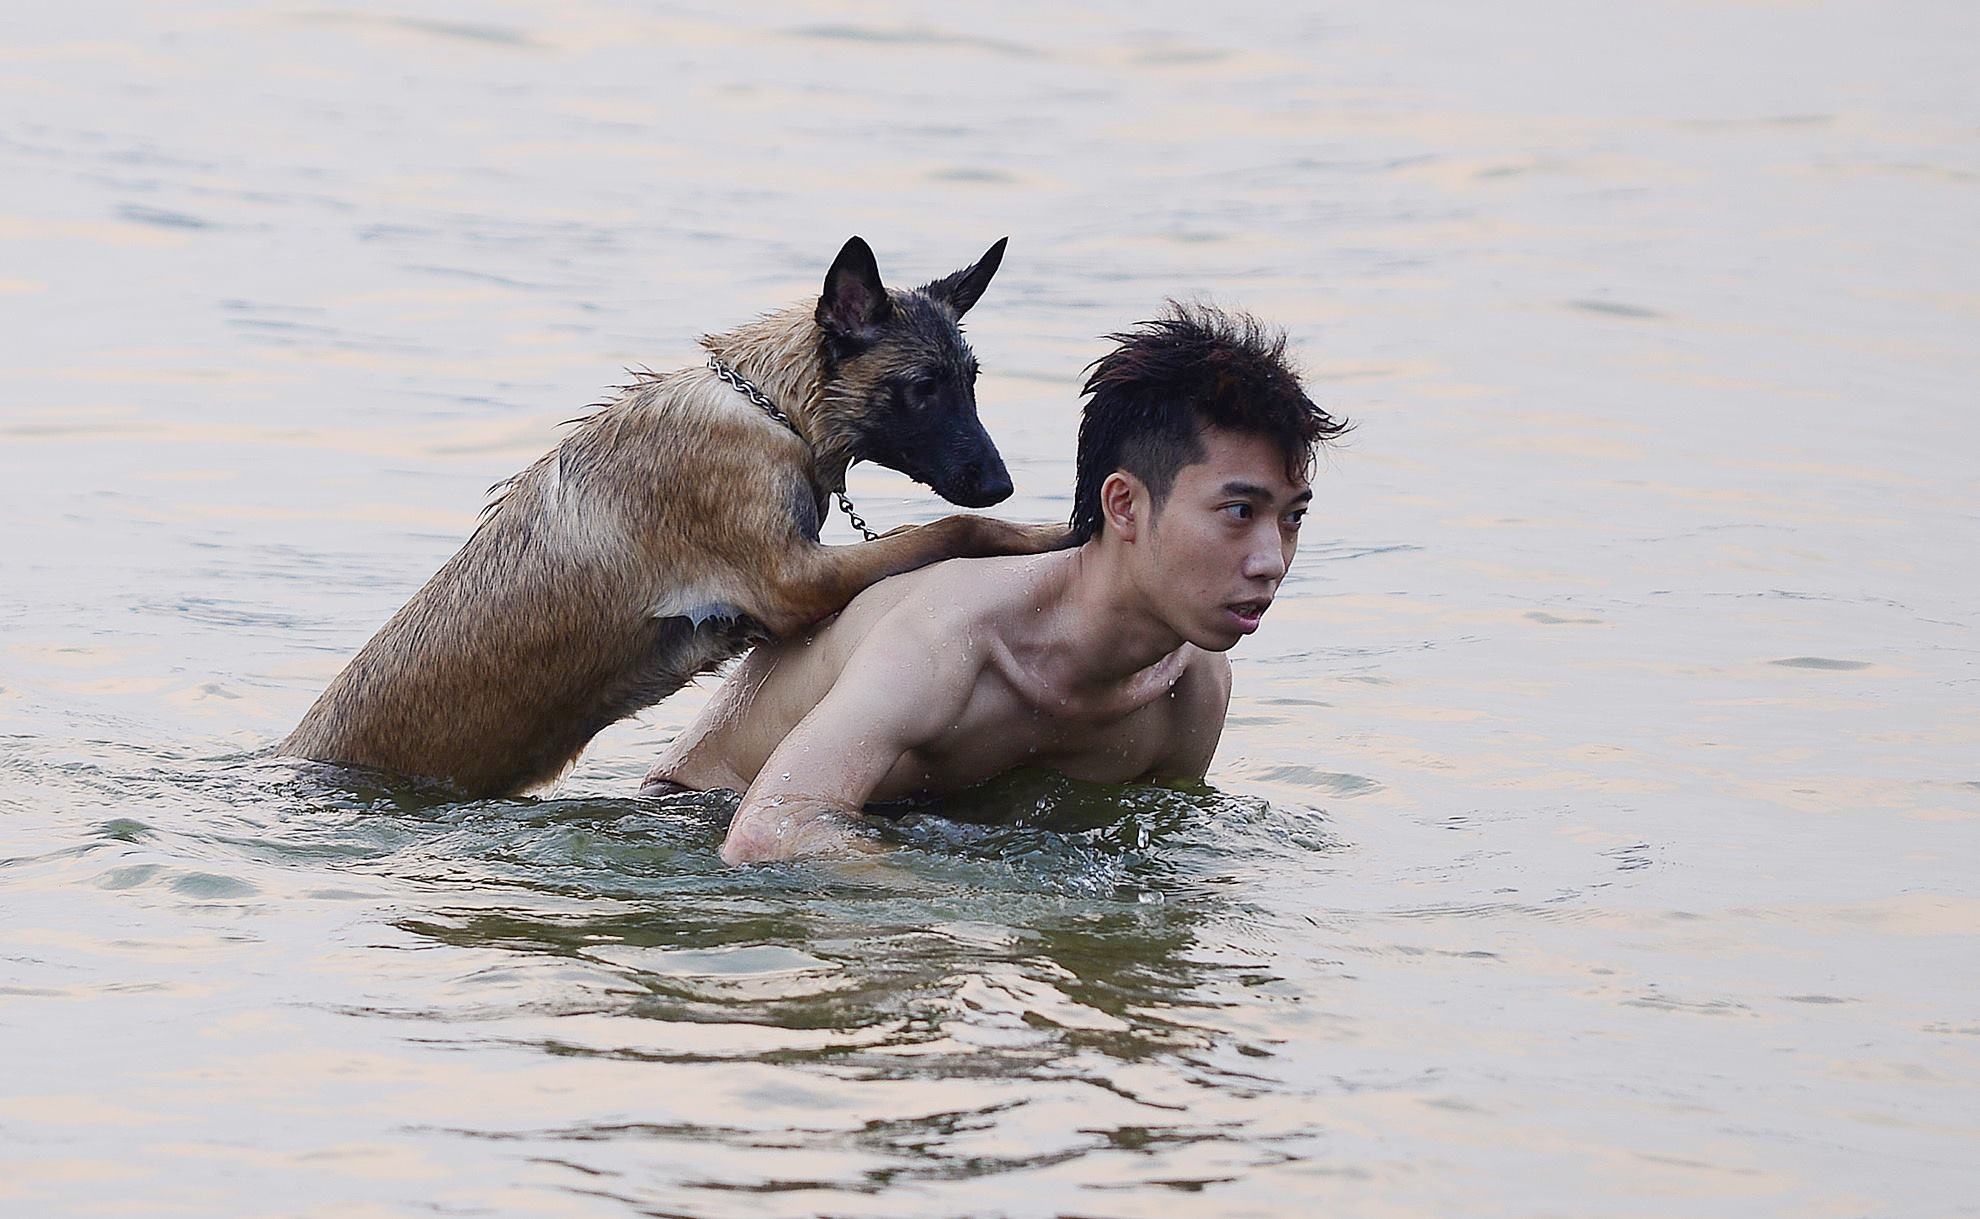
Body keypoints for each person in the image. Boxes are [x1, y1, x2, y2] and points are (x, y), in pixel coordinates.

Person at [642, 303, 1350, 864]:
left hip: (891, 840)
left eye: (1291, 519)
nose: (1271, 559)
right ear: (1125, 505)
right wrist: (990, 940)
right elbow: (768, 835)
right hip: (690, 833)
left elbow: (1144, 853)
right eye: (1239, 512)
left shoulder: (1191, 685)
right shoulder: (954, 635)